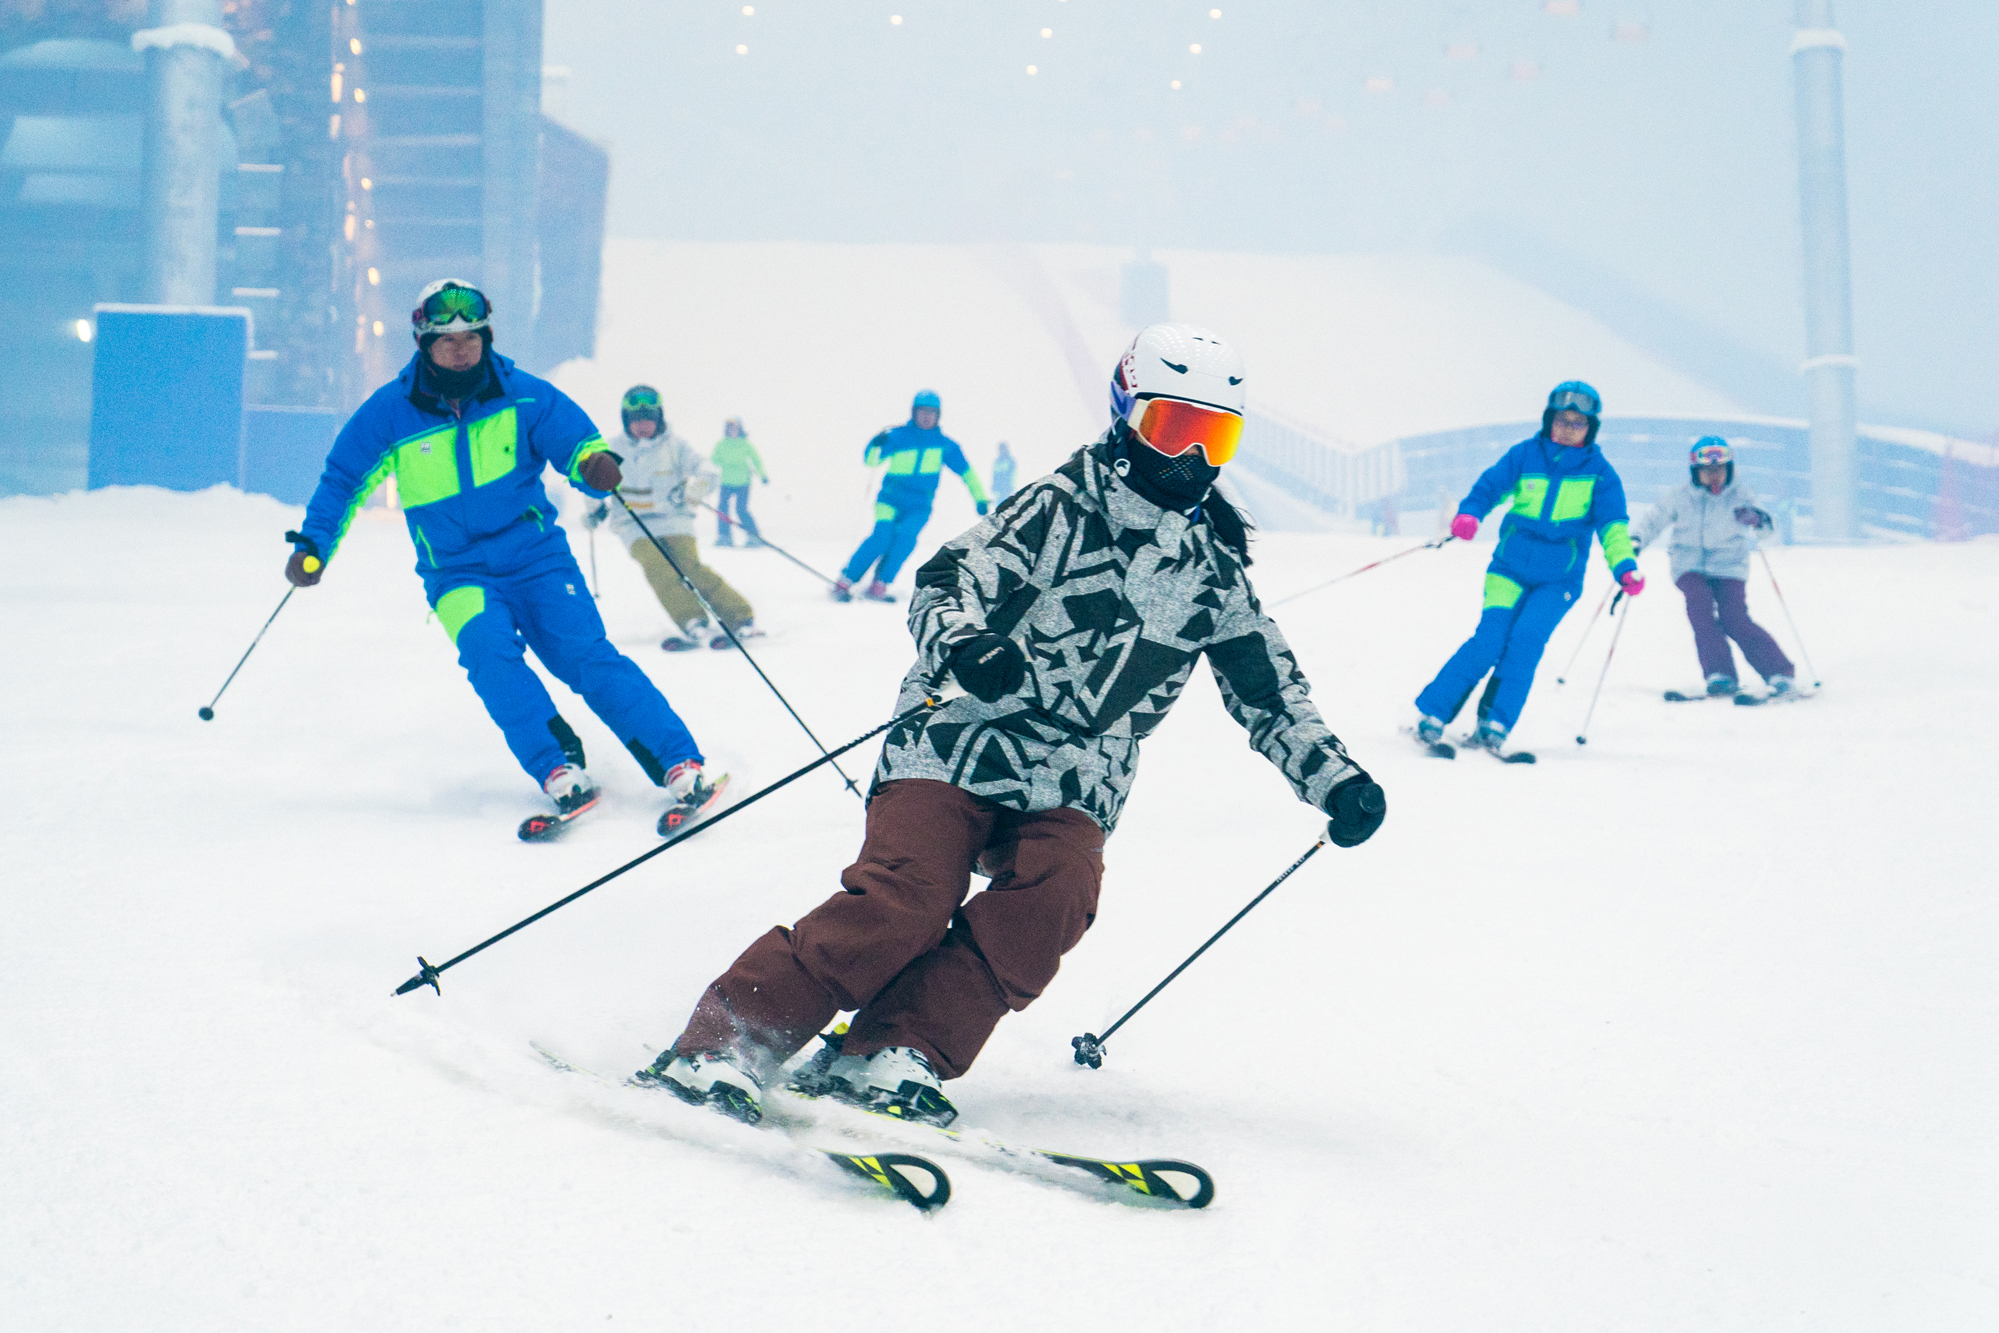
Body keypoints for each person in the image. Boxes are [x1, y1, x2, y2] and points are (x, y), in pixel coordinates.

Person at [635, 323, 1387, 1126]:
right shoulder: (1056, 508)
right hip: (959, 736)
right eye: (1176, 429)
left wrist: (1334, 778)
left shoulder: (1209, 569)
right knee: (910, 898)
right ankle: (729, 1038)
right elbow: (944, 580)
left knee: (1057, 896)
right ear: (1129, 416)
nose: (1192, 459)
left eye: (1216, 437)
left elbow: (1269, 690)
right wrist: (969, 645)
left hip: (1075, 776)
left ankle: (894, 1047)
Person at [283, 281, 721, 839]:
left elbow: (578, 442)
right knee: (489, 656)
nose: (462, 348)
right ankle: (558, 767)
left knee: (583, 656)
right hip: (455, 573)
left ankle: (679, 763)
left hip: (537, 561)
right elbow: (344, 479)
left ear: (486, 337)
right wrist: (314, 545)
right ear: (424, 344)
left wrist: (594, 463)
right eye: (447, 341)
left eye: (472, 337)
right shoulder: (389, 413)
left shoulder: (526, 396)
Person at [1413, 381, 1642, 752]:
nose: (1568, 428)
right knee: (1489, 640)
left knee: (1526, 642)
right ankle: (1433, 714)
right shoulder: (1524, 456)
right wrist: (1470, 514)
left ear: (1590, 428)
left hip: (1559, 580)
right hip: (1509, 570)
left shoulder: (1601, 475)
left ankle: (1496, 722)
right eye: (1562, 420)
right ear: (1549, 421)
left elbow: (1613, 528)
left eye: (1578, 423)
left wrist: (1625, 566)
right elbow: (1489, 488)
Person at [586, 387, 761, 652]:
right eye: (636, 421)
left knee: (689, 566)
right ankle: (692, 621)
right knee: (659, 568)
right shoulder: (613, 449)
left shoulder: (674, 445)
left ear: (659, 419)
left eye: (648, 420)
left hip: (675, 520)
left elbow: (708, 469)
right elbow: (594, 481)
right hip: (634, 525)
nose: (643, 427)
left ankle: (740, 617)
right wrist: (593, 509)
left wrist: (698, 486)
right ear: (626, 421)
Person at [1631, 438, 1795, 696]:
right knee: (1700, 607)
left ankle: (1778, 670)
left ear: (1730, 470)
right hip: (1688, 564)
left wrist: (1758, 519)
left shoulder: (1741, 495)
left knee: (1734, 618)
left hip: (1729, 565)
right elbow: (1654, 519)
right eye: (1708, 472)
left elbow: (1767, 531)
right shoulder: (1680, 497)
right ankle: (1720, 673)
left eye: (1720, 471)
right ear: (1696, 472)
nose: (1715, 477)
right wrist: (1637, 540)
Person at [830, 389, 991, 603]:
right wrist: (875, 444)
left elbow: (967, 473)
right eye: (922, 411)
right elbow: (871, 461)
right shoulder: (897, 437)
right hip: (889, 500)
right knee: (882, 536)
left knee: (906, 539)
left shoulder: (945, 445)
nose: (926, 417)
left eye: (931, 413)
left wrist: (979, 498)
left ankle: (881, 583)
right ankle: (847, 579)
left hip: (919, 506)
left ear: (938, 416)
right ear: (914, 413)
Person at [710, 416, 768, 547]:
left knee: (741, 509)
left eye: (735, 428)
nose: (732, 430)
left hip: (743, 482)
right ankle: (724, 536)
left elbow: (756, 461)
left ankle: (754, 536)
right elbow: (713, 461)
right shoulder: (721, 445)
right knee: (722, 508)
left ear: (740, 429)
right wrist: (707, 476)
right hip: (726, 482)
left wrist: (763, 475)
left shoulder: (746, 445)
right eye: (730, 428)